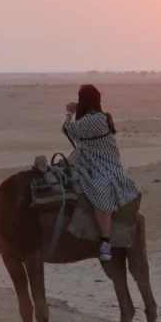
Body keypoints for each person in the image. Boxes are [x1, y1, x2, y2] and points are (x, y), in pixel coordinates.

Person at [62, 85, 140, 262]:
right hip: (87, 159)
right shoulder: (101, 117)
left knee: (100, 189)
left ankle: (105, 240)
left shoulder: (95, 119)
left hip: (104, 166)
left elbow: (66, 129)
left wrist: (68, 112)